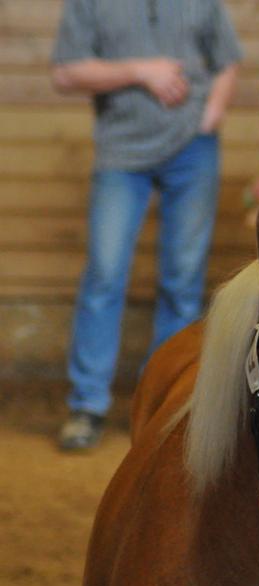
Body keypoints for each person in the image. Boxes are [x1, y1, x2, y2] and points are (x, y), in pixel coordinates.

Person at [50, 0, 241, 451]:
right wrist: (141, 70)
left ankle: (165, 400)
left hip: (194, 151)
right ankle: (87, 404)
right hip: (120, 153)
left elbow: (227, 61)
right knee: (104, 274)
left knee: (183, 279)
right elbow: (66, 72)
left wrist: (211, 114)